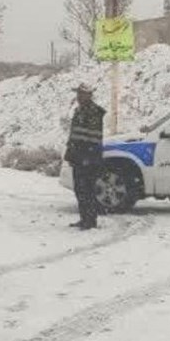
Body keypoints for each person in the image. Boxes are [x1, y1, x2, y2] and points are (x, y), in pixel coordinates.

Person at [63, 83, 106, 230]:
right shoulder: (80, 111)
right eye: (78, 94)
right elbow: (75, 135)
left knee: (88, 190)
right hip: (78, 157)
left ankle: (90, 220)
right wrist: (71, 154)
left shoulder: (94, 112)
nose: (79, 97)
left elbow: (93, 138)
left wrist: (88, 157)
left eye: (82, 94)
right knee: (80, 189)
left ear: (89, 95)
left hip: (88, 158)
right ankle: (84, 218)